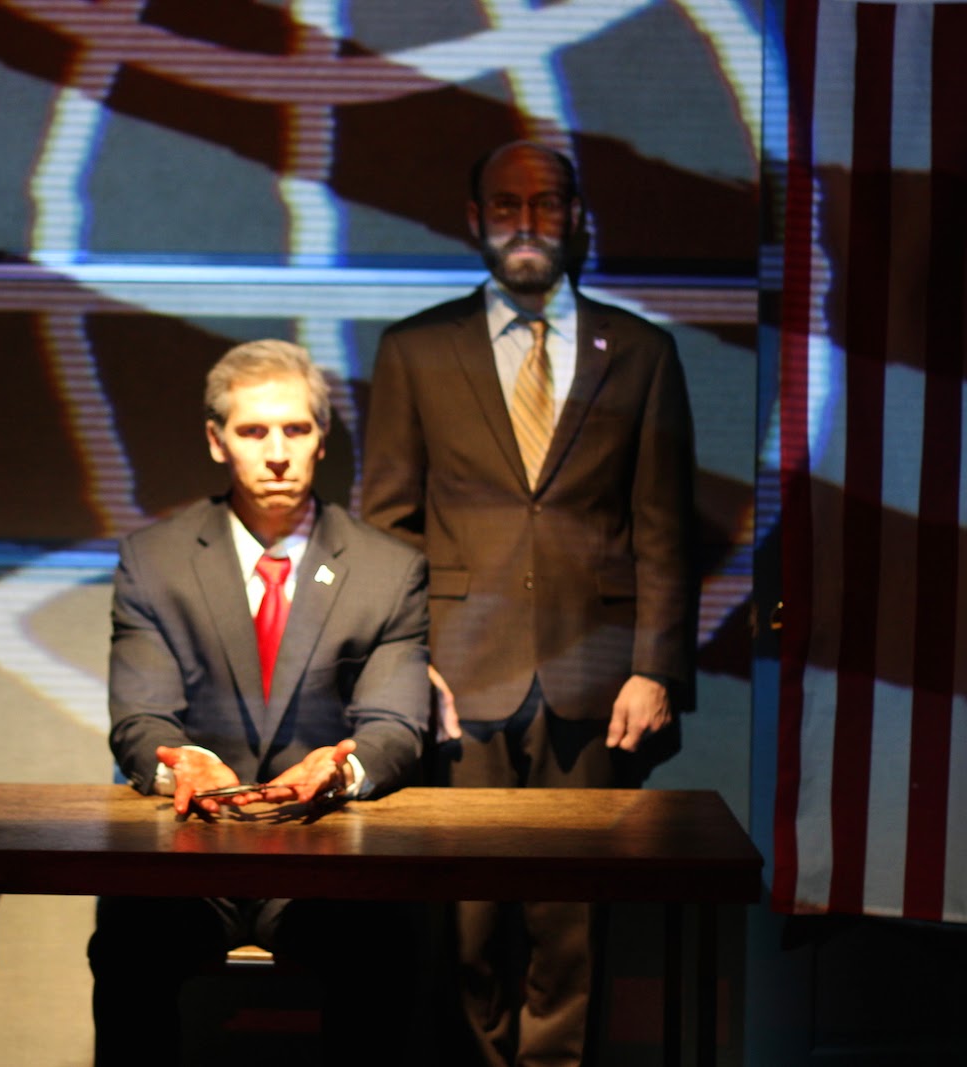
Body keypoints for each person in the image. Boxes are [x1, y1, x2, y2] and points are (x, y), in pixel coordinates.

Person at [361, 141, 697, 1066]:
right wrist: (405, 662)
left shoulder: (642, 352)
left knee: (570, 922)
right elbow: (387, 524)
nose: (526, 222)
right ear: (476, 220)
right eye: (506, 204)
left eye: (546, 204)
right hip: (457, 679)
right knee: (466, 924)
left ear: (576, 218)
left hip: (596, 680)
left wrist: (655, 667)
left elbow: (663, 527)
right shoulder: (416, 350)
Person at [90, 339, 432, 1064]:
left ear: (322, 437)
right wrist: (184, 762)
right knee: (127, 945)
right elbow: (141, 717)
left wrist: (340, 771)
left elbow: (396, 724)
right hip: (193, 853)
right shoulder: (154, 560)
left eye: (295, 429)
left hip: (325, 854)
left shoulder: (390, 569)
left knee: (383, 948)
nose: (277, 454)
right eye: (253, 431)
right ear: (217, 441)